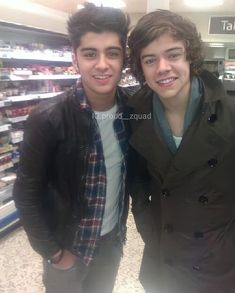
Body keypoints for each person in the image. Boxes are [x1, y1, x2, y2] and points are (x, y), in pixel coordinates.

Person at [13, 4, 132, 293]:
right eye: (90, 53)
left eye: (112, 53)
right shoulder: (48, 117)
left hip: (110, 245)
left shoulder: (132, 110)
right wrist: (54, 253)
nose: (102, 64)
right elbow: (26, 194)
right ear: (75, 58)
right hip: (68, 249)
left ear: (123, 58)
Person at [128, 9, 235, 293]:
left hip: (217, 262)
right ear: (141, 67)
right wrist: (149, 229)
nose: (162, 68)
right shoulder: (135, 112)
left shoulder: (230, 113)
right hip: (164, 256)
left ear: (190, 57)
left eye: (173, 54)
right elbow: (137, 180)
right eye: (150, 59)